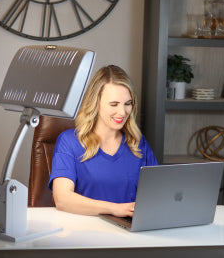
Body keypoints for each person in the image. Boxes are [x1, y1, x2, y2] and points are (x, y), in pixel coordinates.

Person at [48, 65, 158, 218]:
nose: (122, 112)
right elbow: (62, 199)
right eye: (114, 104)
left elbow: (158, 194)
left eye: (128, 103)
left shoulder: (138, 144)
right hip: (86, 232)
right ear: (96, 103)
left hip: (130, 234)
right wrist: (115, 209)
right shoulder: (69, 142)